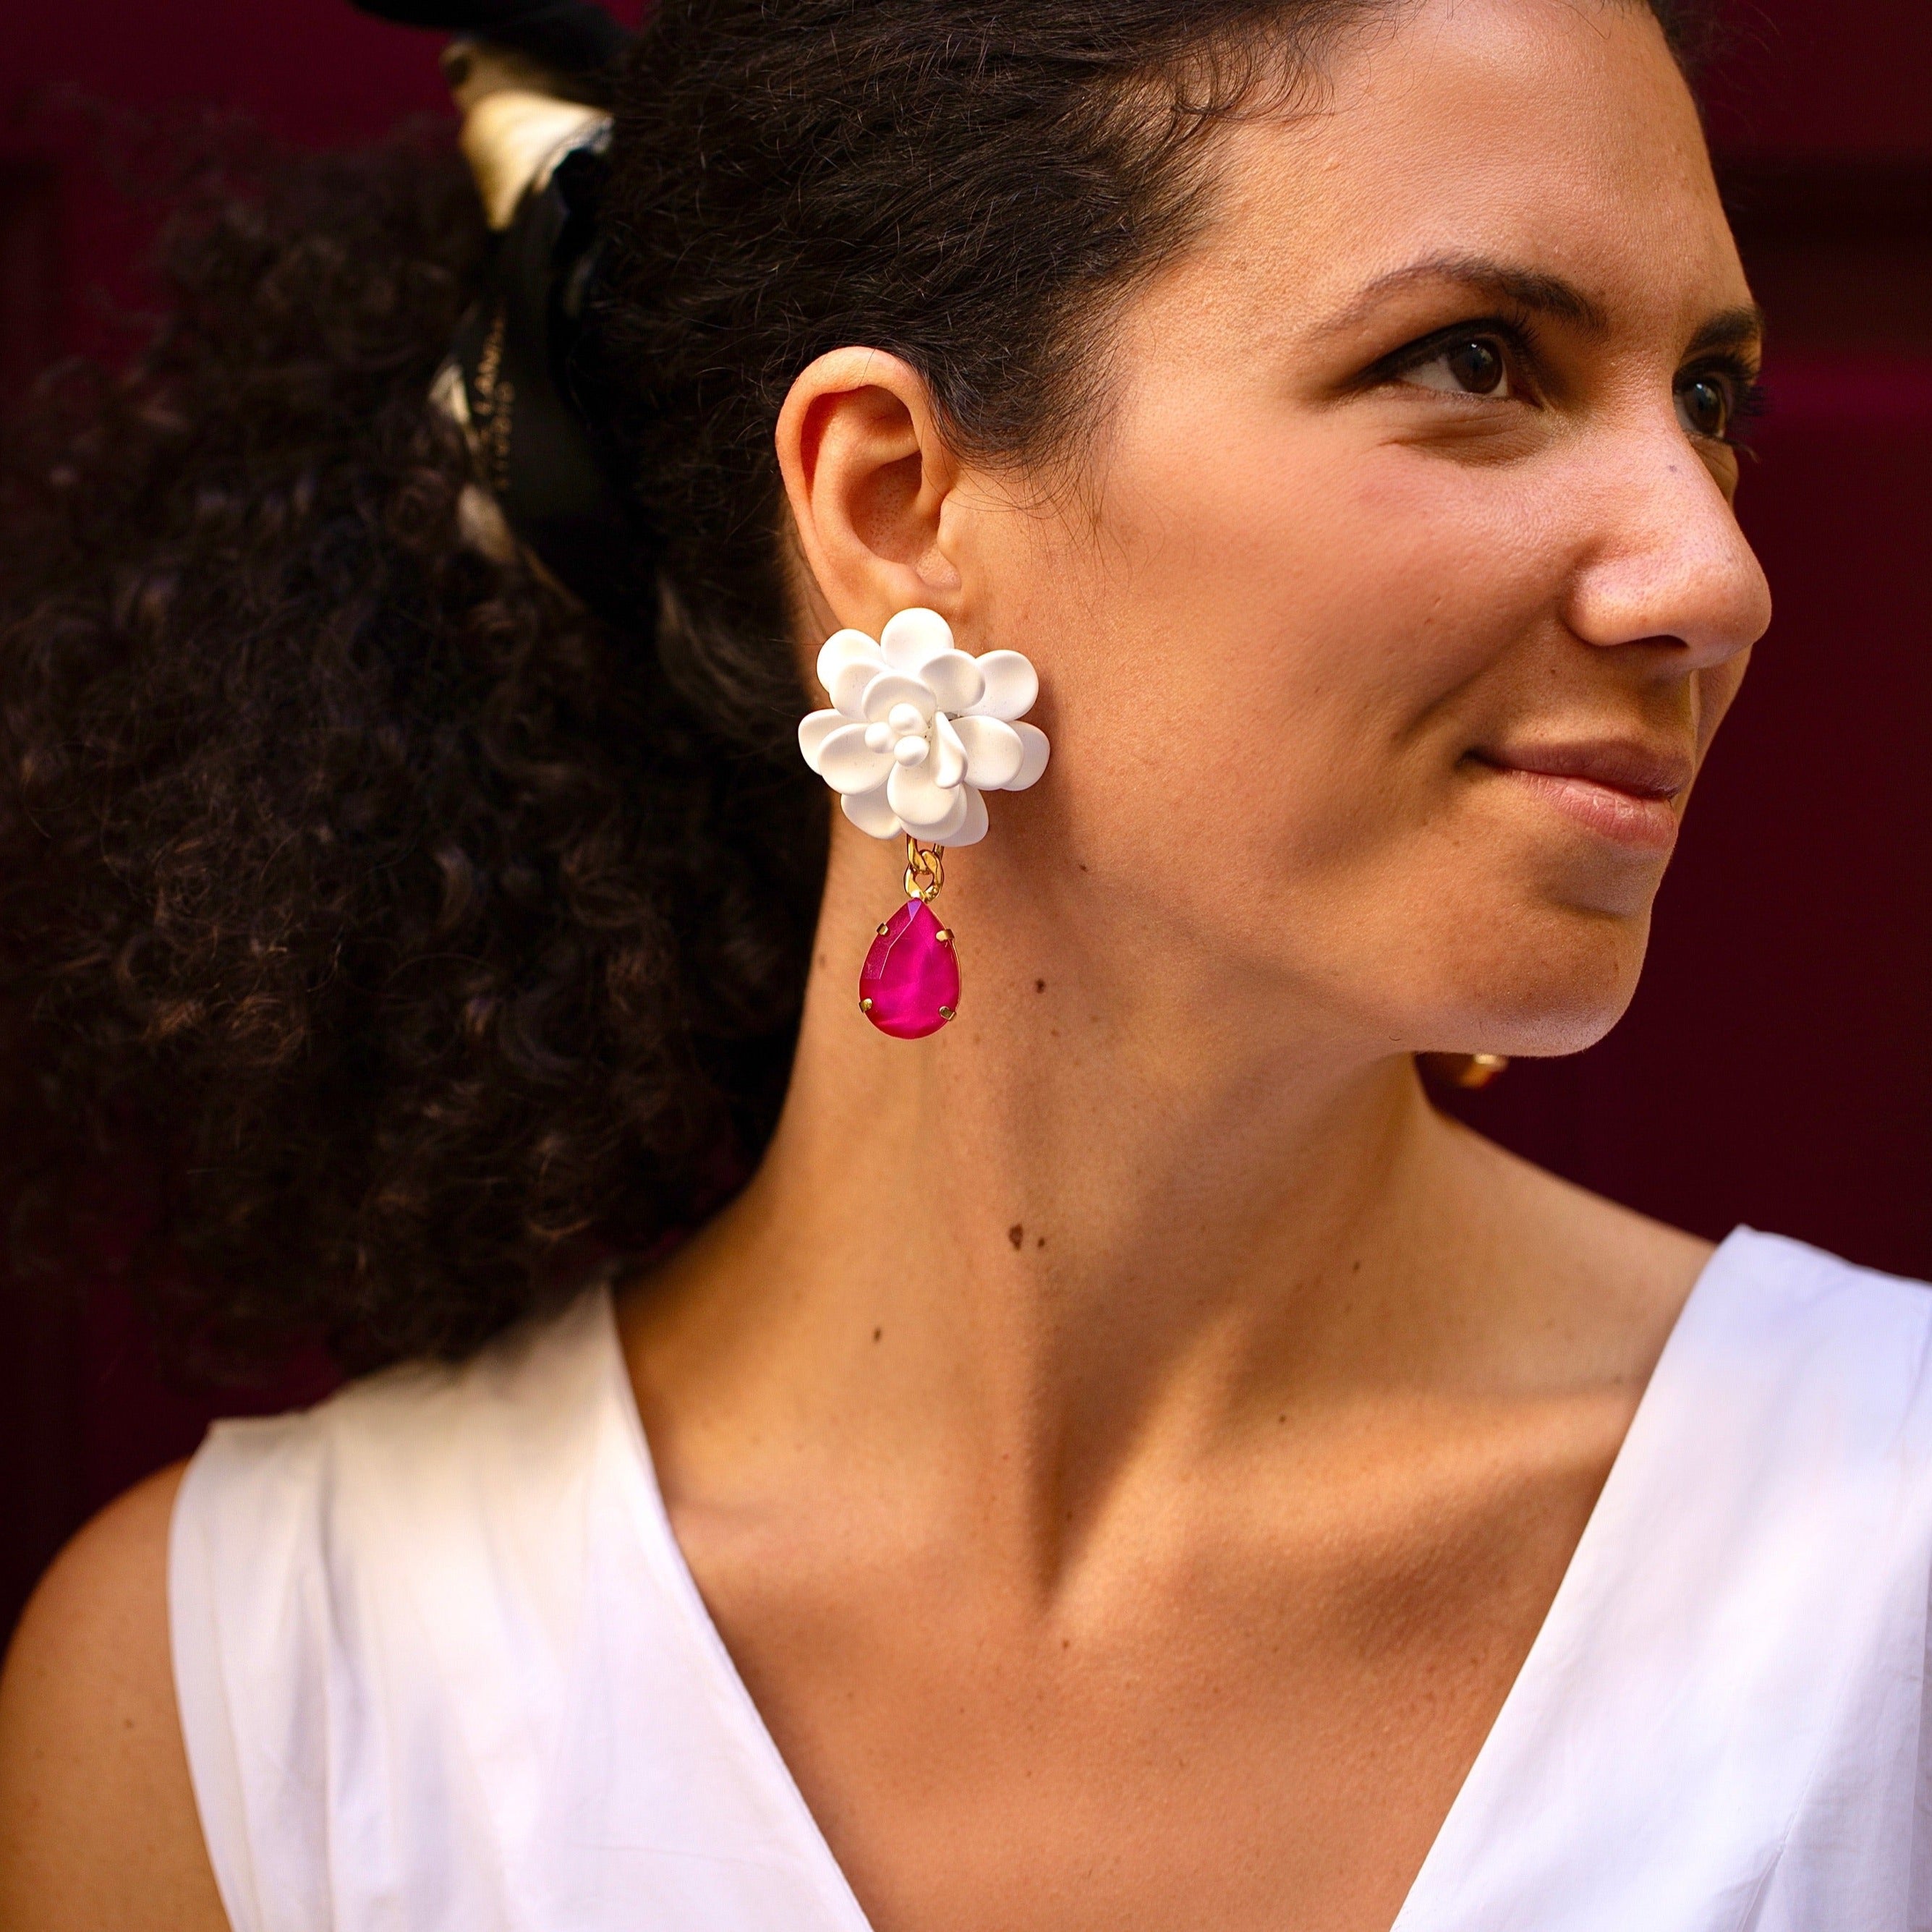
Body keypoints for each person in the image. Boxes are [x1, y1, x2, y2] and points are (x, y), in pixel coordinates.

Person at [1, 0, 1926, 1925]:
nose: (1713, 578)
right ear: (894, 503)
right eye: (1476, 361)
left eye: (1709, 400)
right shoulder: (248, 1699)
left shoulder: (1886, 1557)